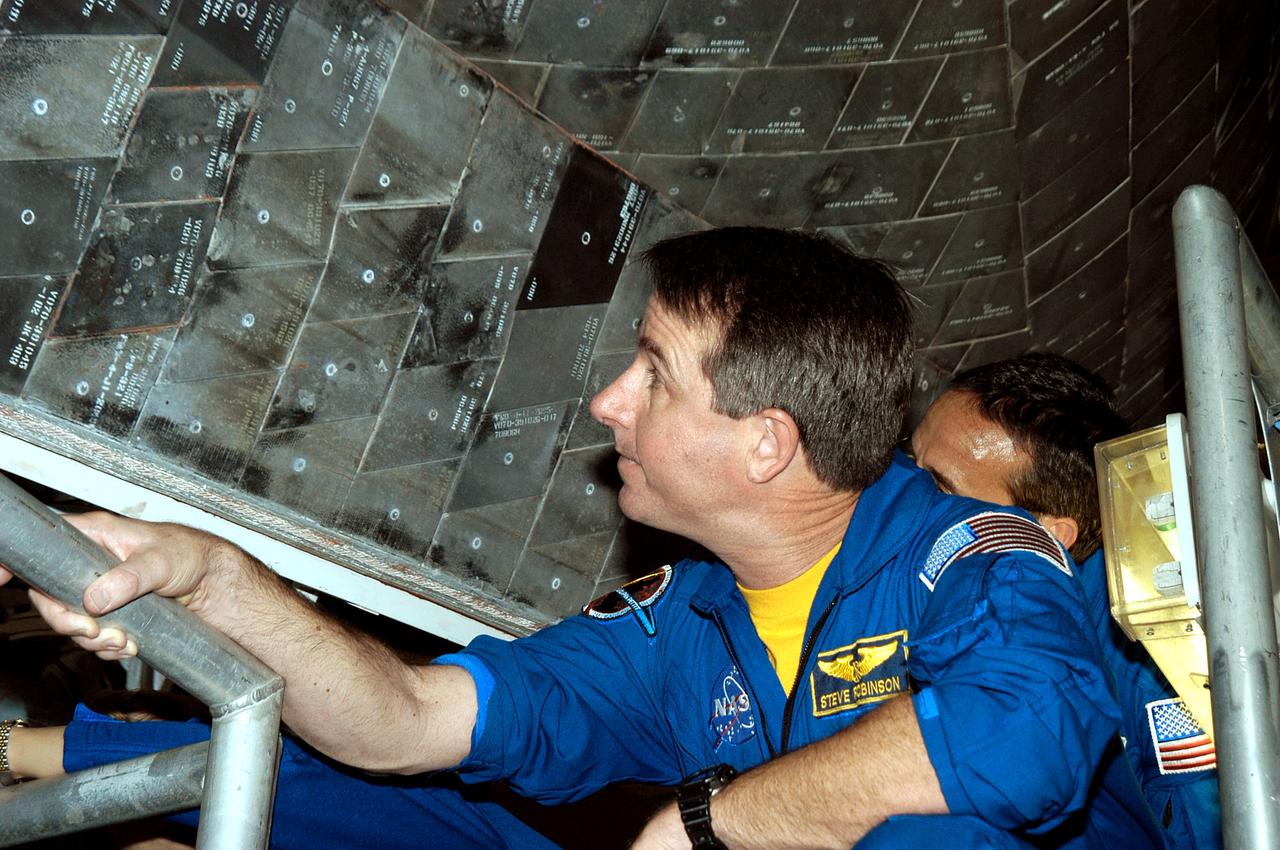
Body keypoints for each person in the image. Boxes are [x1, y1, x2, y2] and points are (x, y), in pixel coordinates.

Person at [1, 227, 1164, 849]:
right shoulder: (682, 622)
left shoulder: (975, 551)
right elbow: (408, 721)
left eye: (652, 374)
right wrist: (217, 577)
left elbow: (1025, 737)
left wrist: (707, 822)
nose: (609, 402)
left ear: (764, 443)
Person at [911, 352, 1221, 849]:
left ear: (1048, 537)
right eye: (912, 462)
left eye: (939, 489)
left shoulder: (1157, 662)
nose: (904, 498)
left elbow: (1207, 828)